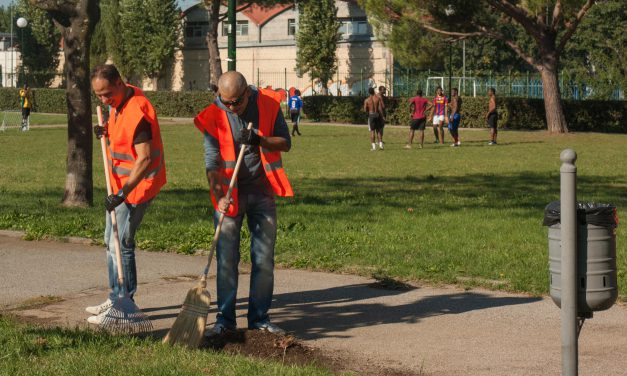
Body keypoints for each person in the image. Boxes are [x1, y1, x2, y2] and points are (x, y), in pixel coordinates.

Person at [194, 71, 293, 336]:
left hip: (262, 192)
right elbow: (212, 162)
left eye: (236, 102)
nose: (231, 107)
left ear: (247, 92)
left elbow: (285, 143)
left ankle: (259, 318)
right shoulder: (214, 114)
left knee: (263, 259)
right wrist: (220, 193)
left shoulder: (269, 105)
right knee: (226, 259)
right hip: (228, 195)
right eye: (225, 102)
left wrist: (260, 140)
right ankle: (225, 320)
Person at [86, 64, 167, 325]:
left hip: (137, 186)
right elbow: (122, 136)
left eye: (107, 94)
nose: (104, 100)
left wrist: (122, 193)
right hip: (120, 184)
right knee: (110, 240)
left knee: (122, 243)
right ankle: (115, 296)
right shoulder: (119, 101)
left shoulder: (138, 112)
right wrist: (106, 130)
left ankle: (126, 303)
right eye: (98, 95)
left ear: (120, 83)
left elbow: (143, 160)